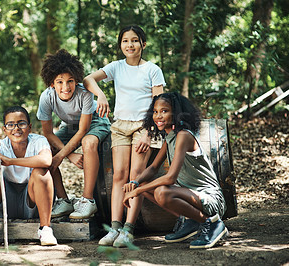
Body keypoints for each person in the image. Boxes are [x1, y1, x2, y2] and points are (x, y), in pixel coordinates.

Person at [83, 25, 166, 247]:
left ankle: (129, 230)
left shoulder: (152, 69)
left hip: (143, 127)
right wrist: (100, 95)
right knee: (119, 175)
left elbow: (159, 105)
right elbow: (88, 79)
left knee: (134, 176)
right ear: (120, 45)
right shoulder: (116, 67)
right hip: (120, 126)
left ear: (143, 44)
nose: (130, 45)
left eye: (135, 40)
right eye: (125, 41)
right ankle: (115, 227)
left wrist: (149, 133)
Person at [123, 92, 228, 249]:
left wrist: (136, 192)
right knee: (143, 184)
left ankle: (212, 224)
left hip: (210, 199)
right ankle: (190, 221)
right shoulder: (169, 137)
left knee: (162, 192)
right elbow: (153, 168)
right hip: (191, 196)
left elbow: (170, 178)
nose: (158, 116)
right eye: (156, 111)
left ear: (176, 113)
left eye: (164, 111)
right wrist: (135, 183)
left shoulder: (184, 136)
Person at [37, 49, 111, 219]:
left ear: (76, 80)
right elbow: (47, 133)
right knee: (46, 148)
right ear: (51, 83)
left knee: (88, 142)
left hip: (96, 122)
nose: (66, 87)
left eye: (70, 81)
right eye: (60, 82)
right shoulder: (46, 98)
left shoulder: (84, 94)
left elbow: (84, 130)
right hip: (70, 126)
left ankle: (88, 201)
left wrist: (63, 155)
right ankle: (63, 200)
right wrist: (69, 154)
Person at [0, 106, 57, 248]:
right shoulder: (1, 145)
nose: (16, 128)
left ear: (29, 127)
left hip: (32, 200)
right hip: (7, 200)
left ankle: (45, 229)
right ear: (4, 129)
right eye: (10, 125)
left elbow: (46, 160)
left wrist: (11, 161)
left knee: (41, 172)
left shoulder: (39, 141)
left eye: (22, 123)